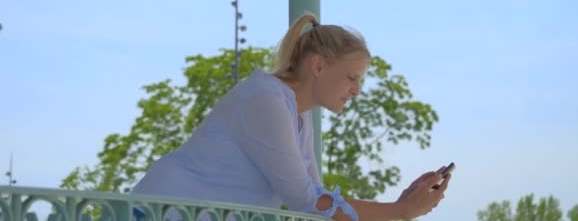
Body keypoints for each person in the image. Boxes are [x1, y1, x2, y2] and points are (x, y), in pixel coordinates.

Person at [131, 13, 451, 221]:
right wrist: (402, 212)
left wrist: (401, 206)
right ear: (319, 66)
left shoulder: (297, 115)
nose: (357, 91)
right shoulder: (265, 99)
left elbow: (318, 204)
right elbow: (308, 202)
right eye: (352, 77)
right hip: (158, 214)